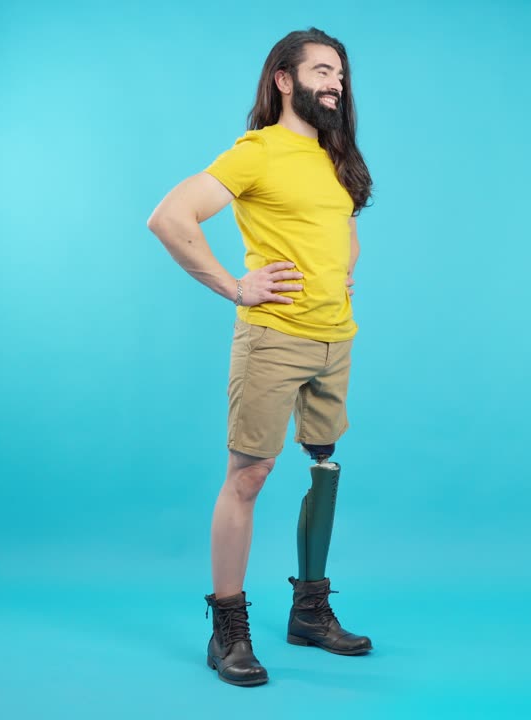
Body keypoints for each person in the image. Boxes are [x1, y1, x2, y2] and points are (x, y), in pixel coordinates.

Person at [147, 27, 374, 687]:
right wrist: (235, 286)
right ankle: (229, 631)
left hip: (337, 337)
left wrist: (340, 271)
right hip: (274, 338)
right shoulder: (258, 152)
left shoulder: (336, 157)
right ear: (284, 79)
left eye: (341, 74)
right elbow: (170, 216)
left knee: (325, 466)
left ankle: (310, 611)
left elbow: (343, 230)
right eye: (323, 71)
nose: (336, 83)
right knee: (249, 475)